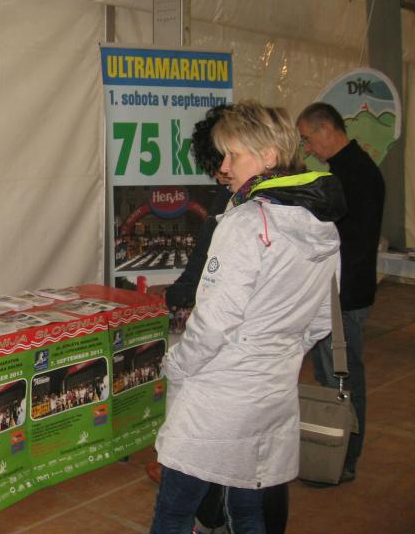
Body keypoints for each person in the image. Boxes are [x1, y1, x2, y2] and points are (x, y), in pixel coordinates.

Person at [150, 101, 346, 533]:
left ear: (269, 156)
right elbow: (322, 321)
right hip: (274, 392)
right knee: (248, 509)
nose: (224, 167)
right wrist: (276, 351)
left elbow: (213, 324)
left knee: (175, 510)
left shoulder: (244, 224)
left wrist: (175, 364)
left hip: (219, 398)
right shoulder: (322, 226)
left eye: (232, 155)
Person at [296, 102, 385, 483]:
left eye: (307, 139)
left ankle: (344, 456)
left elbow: (345, 241)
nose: (308, 148)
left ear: (327, 130)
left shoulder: (354, 175)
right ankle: (334, 450)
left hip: (343, 295)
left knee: (342, 380)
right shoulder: (348, 170)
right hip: (339, 292)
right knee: (332, 375)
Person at [164, 104, 233, 310]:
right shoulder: (226, 193)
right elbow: (202, 254)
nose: (219, 175)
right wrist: (176, 293)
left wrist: (178, 293)